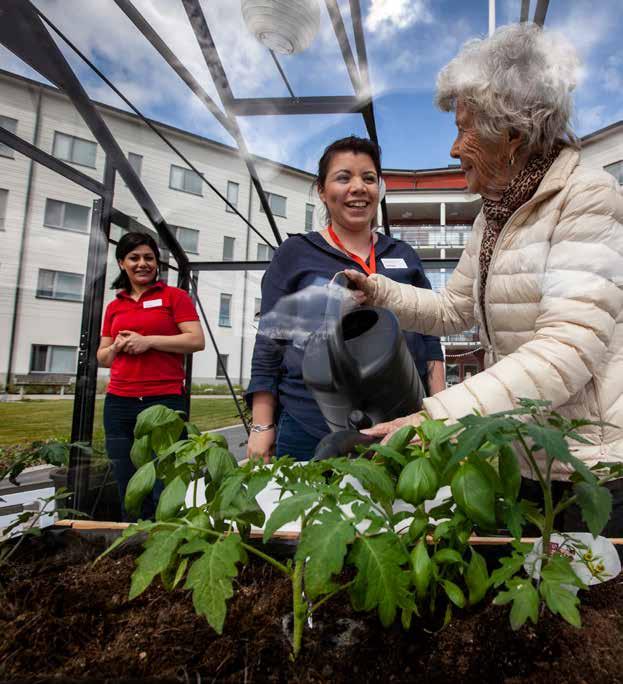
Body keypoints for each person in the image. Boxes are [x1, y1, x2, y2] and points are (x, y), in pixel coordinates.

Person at [345, 24, 623, 534]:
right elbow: (454, 308)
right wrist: (378, 291)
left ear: (513, 133)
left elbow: (570, 345)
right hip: (522, 455)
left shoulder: (588, 196)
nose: (453, 149)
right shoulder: (494, 214)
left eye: (464, 129)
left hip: (588, 466)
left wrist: (437, 417)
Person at [246, 136, 445, 462]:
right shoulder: (295, 254)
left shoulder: (403, 255)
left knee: (398, 510)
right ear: (323, 192)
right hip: (310, 424)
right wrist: (261, 426)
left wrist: (438, 414)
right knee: (306, 512)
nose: (358, 187)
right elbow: (270, 342)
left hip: (400, 425)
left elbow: (429, 338)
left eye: (368, 178)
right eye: (343, 177)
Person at [98, 232, 205, 519]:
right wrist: (118, 347)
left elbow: (196, 340)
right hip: (119, 402)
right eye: (134, 258)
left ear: (157, 263)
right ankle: (133, 541)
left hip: (164, 402)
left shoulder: (174, 297)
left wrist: (149, 341)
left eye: (149, 257)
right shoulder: (115, 305)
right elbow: (103, 356)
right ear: (122, 263)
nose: (142, 263)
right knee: (126, 478)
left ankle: (167, 538)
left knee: (167, 479)